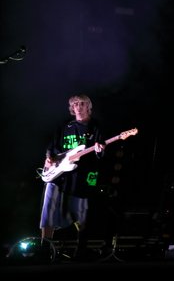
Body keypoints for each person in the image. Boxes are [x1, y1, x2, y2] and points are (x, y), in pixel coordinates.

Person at [40, 94, 106, 258]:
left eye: (82, 104)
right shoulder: (64, 125)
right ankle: (44, 249)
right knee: (48, 211)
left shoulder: (95, 126)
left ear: (88, 107)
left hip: (81, 177)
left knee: (81, 214)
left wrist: (100, 149)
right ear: (72, 108)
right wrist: (49, 158)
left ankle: (81, 250)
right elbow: (52, 148)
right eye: (75, 104)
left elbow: (101, 151)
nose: (78, 106)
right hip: (59, 177)